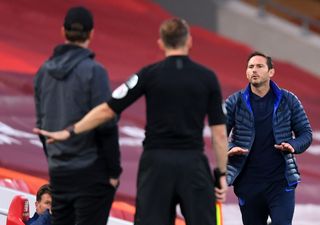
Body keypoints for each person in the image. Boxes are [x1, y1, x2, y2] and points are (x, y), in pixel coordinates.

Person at [34, 18, 228, 225]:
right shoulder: (208, 78)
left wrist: (70, 131)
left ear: (161, 43)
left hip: (156, 166)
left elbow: (108, 109)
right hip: (192, 163)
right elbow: (219, 134)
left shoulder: (149, 74)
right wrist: (221, 174)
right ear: (189, 41)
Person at [33, 6, 121, 225]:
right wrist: (113, 171)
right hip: (92, 171)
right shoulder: (94, 71)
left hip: (60, 171)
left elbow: (42, 128)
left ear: (63, 31)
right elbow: (106, 123)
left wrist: (55, 162)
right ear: (91, 34)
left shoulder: (43, 71)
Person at [225, 51, 313, 225]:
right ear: (246, 72)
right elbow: (219, 136)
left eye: (259, 66)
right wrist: (229, 148)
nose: (254, 70)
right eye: (251, 67)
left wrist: (293, 145)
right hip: (248, 183)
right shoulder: (234, 102)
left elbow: (306, 133)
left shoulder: (289, 100)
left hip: (280, 182)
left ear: (271, 72)